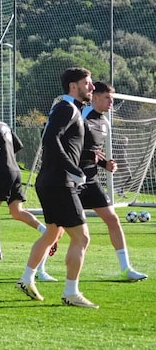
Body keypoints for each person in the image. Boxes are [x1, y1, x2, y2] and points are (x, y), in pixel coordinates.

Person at [16, 67, 97, 308]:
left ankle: (26, 278)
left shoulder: (67, 108)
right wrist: (72, 169)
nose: (91, 87)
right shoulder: (67, 108)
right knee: (82, 238)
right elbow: (50, 138)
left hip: (51, 181)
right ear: (74, 86)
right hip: (60, 183)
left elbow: (61, 142)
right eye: (87, 83)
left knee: (52, 232)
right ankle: (71, 292)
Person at [0, 107, 57, 281]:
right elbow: (17, 145)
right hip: (14, 171)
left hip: (3, 173)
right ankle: (46, 232)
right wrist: (2, 158)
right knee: (16, 212)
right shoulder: (3, 124)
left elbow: (0, 141)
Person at [79, 82, 147, 281]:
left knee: (113, 219)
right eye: (108, 98)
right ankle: (38, 269)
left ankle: (126, 268)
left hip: (91, 180)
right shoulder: (81, 116)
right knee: (55, 231)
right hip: (72, 181)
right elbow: (68, 148)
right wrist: (91, 157)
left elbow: (94, 154)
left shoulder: (105, 123)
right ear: (95, 97)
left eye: (112, 98)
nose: (111, 102)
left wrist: (105, 165)